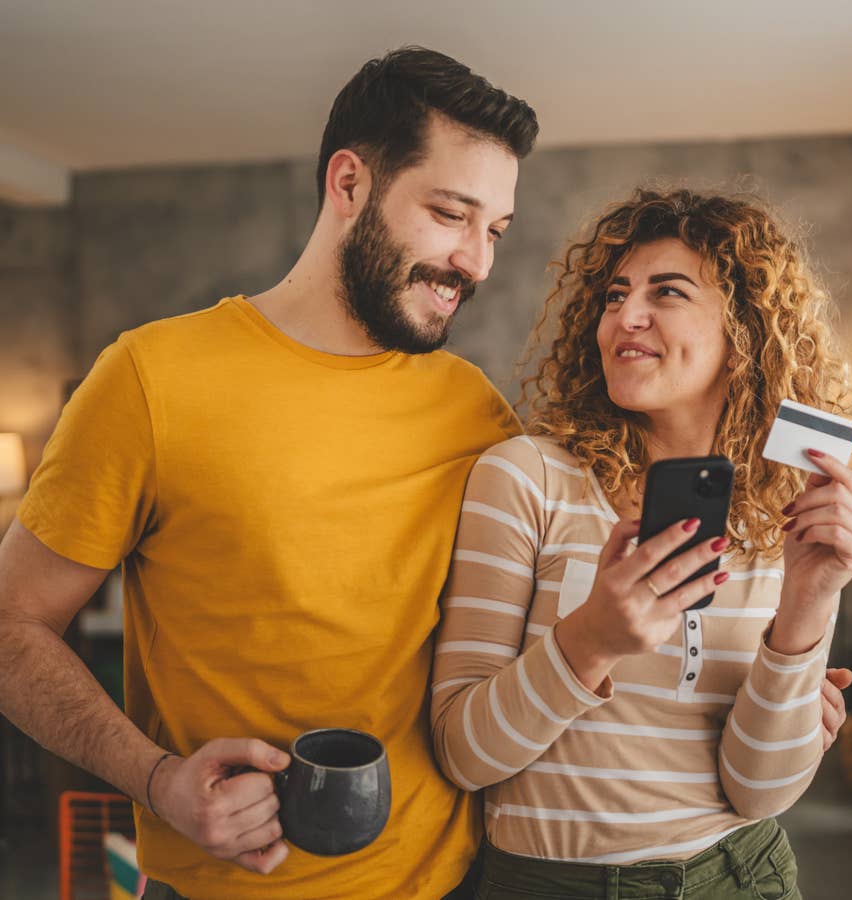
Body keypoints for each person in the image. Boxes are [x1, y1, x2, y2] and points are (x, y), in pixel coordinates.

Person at [0, 47, 538, 899]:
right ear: (350, 183)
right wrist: (158, 779)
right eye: (450, 214)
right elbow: (12, 627)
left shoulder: (474, 411)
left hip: (453, 882)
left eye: (495, 231)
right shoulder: (150, 379)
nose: (477, 262)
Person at [431, 188, 852, 898]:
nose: (624, 317)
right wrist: (591, 640)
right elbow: (463, 753)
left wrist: (809, 602)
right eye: (613, 295)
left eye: (666, 293)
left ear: (745, 333)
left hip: (739, 876)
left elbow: (760, 791)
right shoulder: (526, 479)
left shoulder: (783, 513)